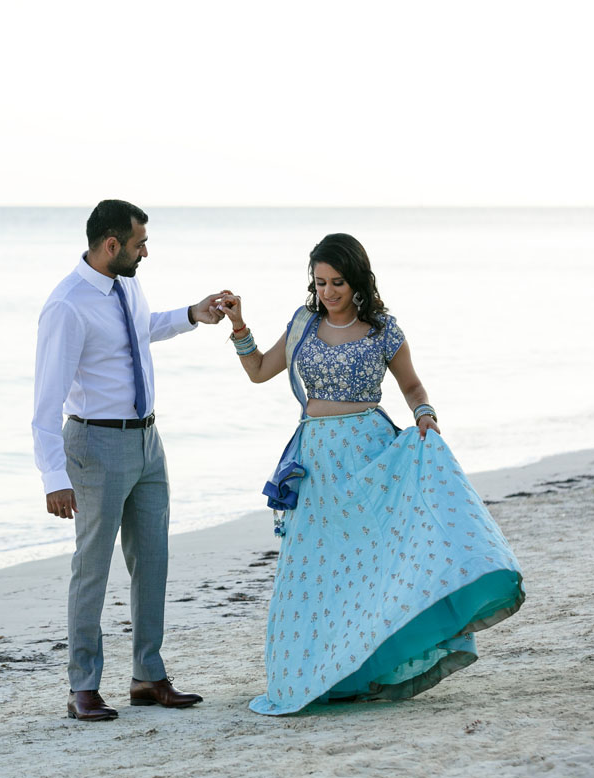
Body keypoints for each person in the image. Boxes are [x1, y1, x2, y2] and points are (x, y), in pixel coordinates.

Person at [217, 233, 525, 715]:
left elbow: (412, 385)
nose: (328, 292)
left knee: (371, 570)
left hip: (371, 460)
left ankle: (370, 669)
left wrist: (425, 414)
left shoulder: (383, 331)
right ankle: (315, 675)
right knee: (313, 572)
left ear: (357, 280)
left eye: (337, 282)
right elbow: (258, 371)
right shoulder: (302, 325)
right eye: (320, 282)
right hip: (316, 466)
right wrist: (239, 324)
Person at [33, 199, 226, 721]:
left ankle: (147, 676)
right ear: (112, 244)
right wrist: (53, 475)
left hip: (147, 442)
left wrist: (193, 315)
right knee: (91, 568)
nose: (146, 252)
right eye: (140, 244)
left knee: (153, 559)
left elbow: (138, 331)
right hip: (95, 445)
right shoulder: (67, 305)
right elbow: (46, 403)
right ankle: (83, 686)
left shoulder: (126, 284)